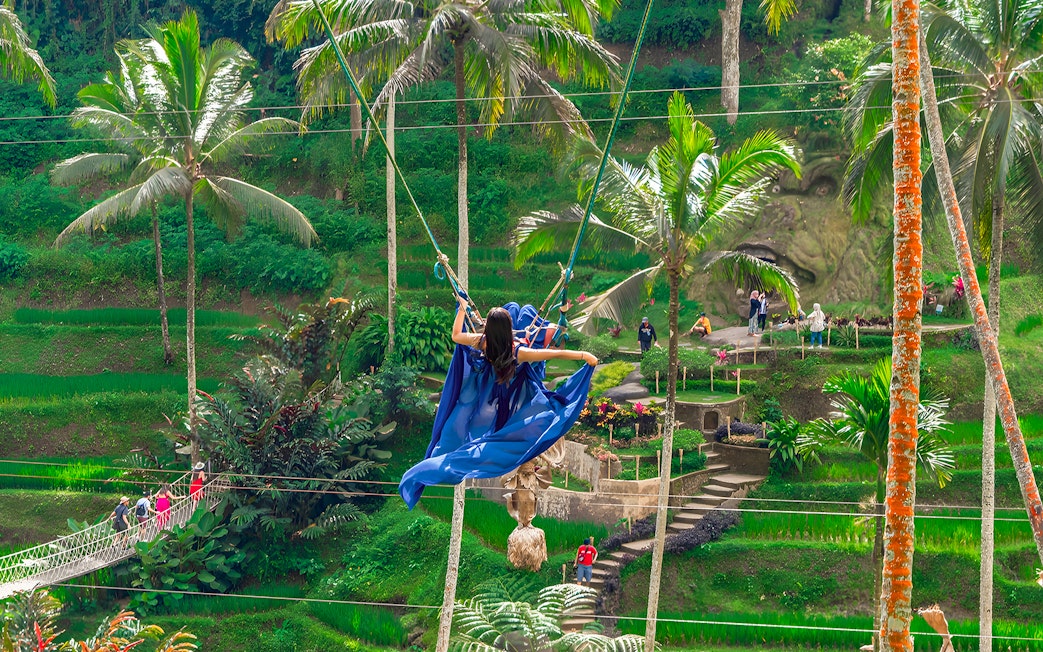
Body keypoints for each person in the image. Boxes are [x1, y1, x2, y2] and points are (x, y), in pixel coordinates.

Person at [398, 296, 598, 508]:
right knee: (549, 414)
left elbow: (456, 335)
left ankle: (431, 467)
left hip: (484, 397)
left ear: (489, 330)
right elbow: (552, 353)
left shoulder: (482, 342)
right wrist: (584, 355)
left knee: (458, 438)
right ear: (508, 329)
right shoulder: (518, 352)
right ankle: (443, 463)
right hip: (510, 402)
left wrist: (462, 309)